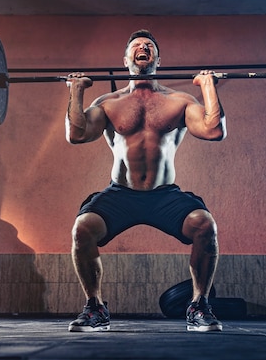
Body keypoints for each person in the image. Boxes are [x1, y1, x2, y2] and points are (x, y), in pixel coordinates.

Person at [65, 29, 227, 332]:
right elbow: (76, 134)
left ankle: (199, 305)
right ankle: (94, 307)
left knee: (205, 225)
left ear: (157, 59)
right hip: (121, 194)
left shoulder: (179, 101)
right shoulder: (109, 102)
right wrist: (75, 90)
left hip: (164, 195)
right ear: (126, 59)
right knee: (82, 229)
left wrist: (208, 86)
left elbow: (214, 131)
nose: (143, 48)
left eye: (148, 46)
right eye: (136, 46)